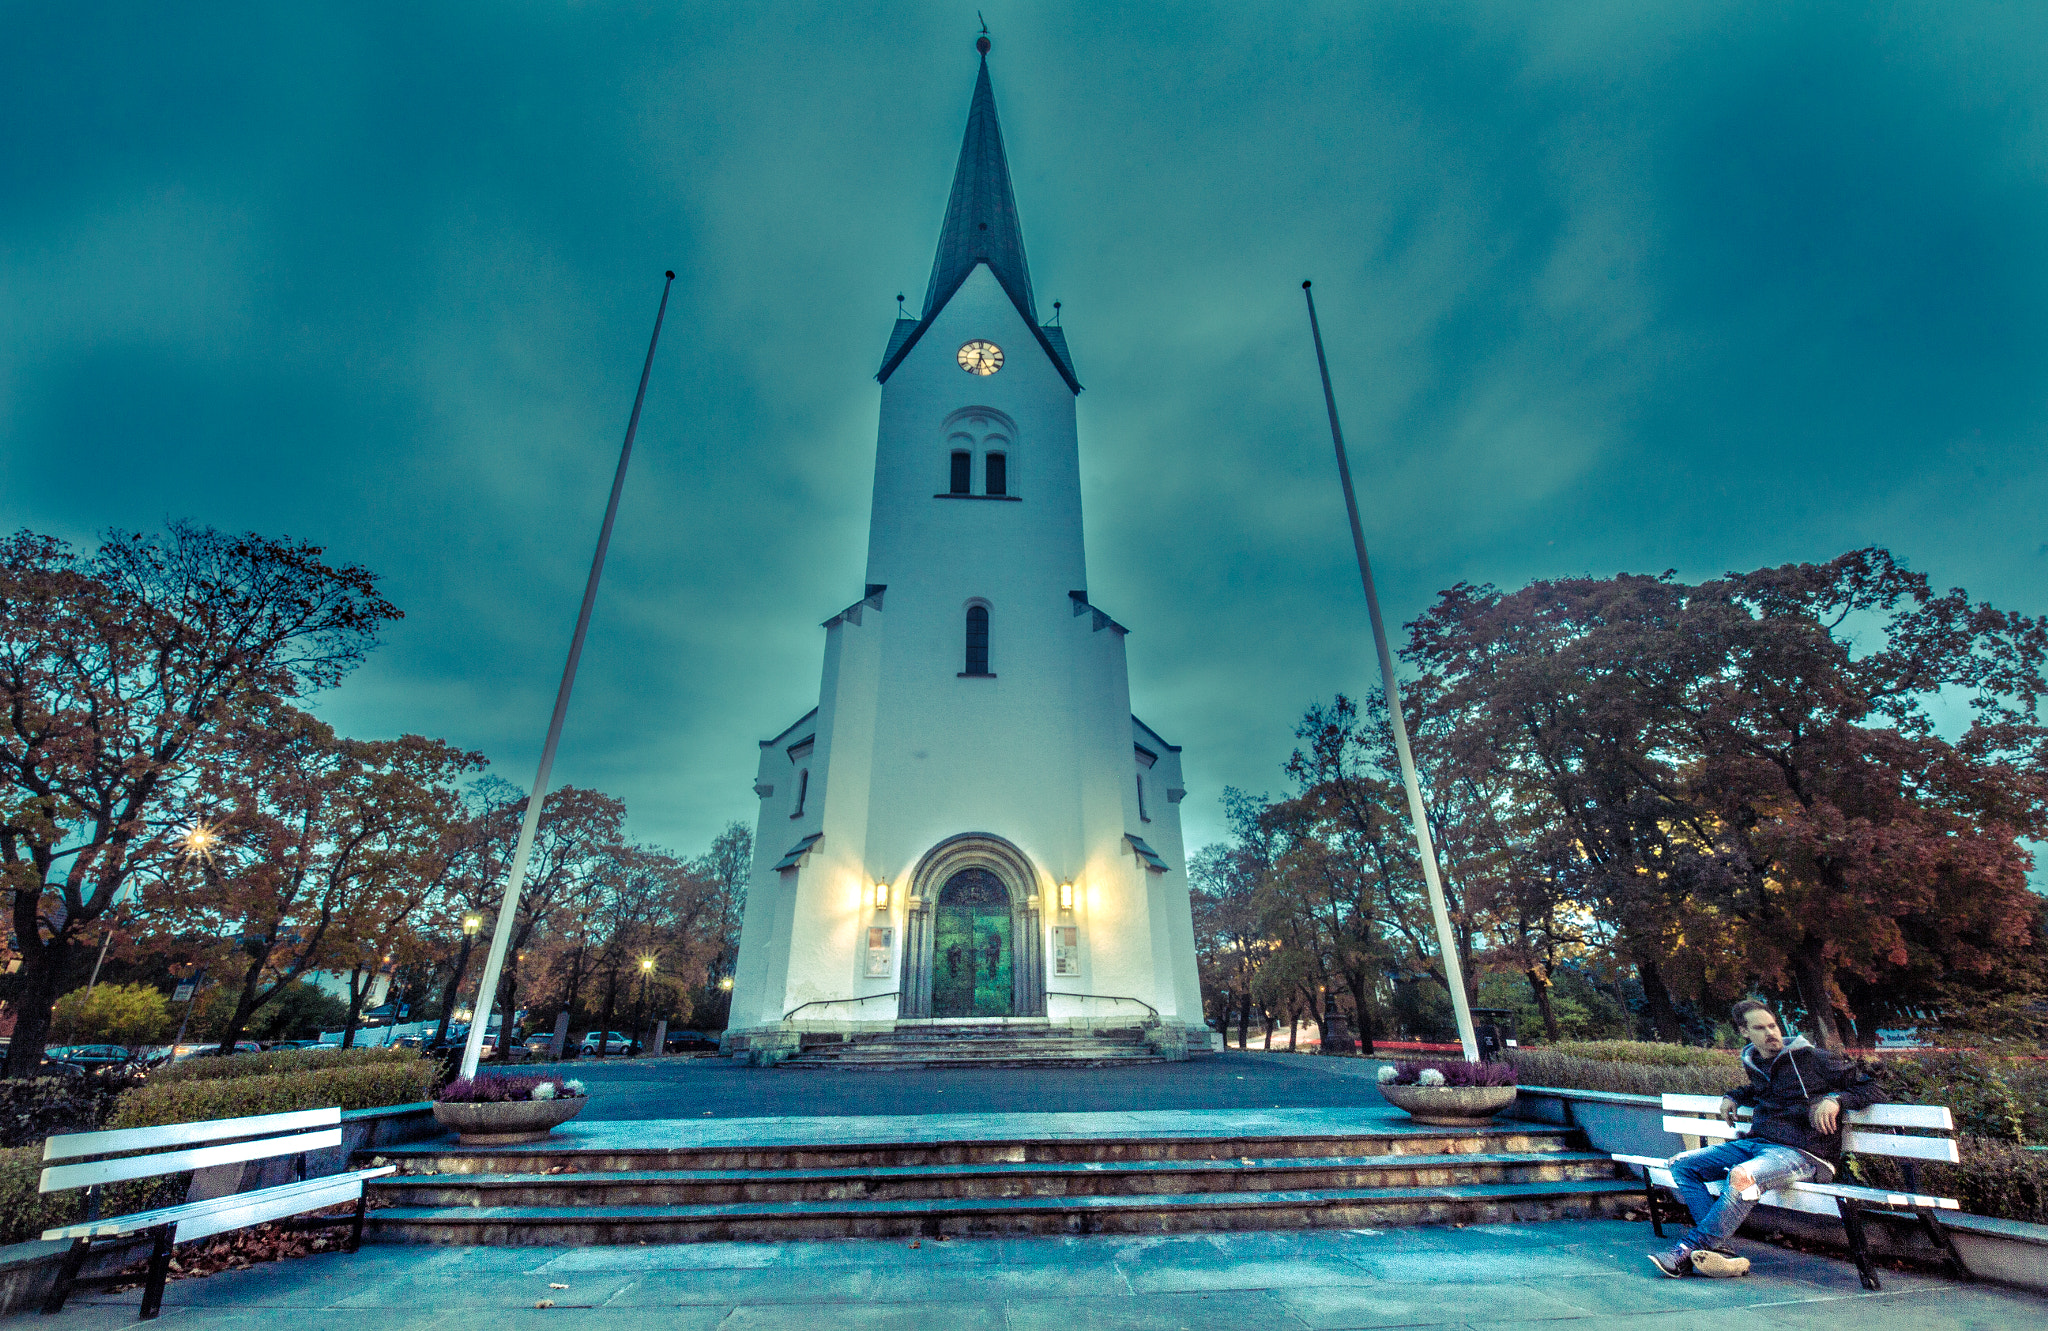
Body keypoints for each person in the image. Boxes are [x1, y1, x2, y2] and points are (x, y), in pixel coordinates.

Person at [1649, 998, 1879, 1278]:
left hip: (1804, 1153)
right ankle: (1717, 1250)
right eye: (1761, 1028)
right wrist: (1733, 1096)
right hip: (1759, 1145)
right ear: (1745, 1032)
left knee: (1742, 1176)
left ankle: (1686, 1251)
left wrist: (1836, 1099)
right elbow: (1764, 1090)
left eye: (1773, 1026)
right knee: (1682, 1165)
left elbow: (1873, 1086)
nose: (1771, 1033)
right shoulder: (1756, 1063)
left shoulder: (1813, 1059)